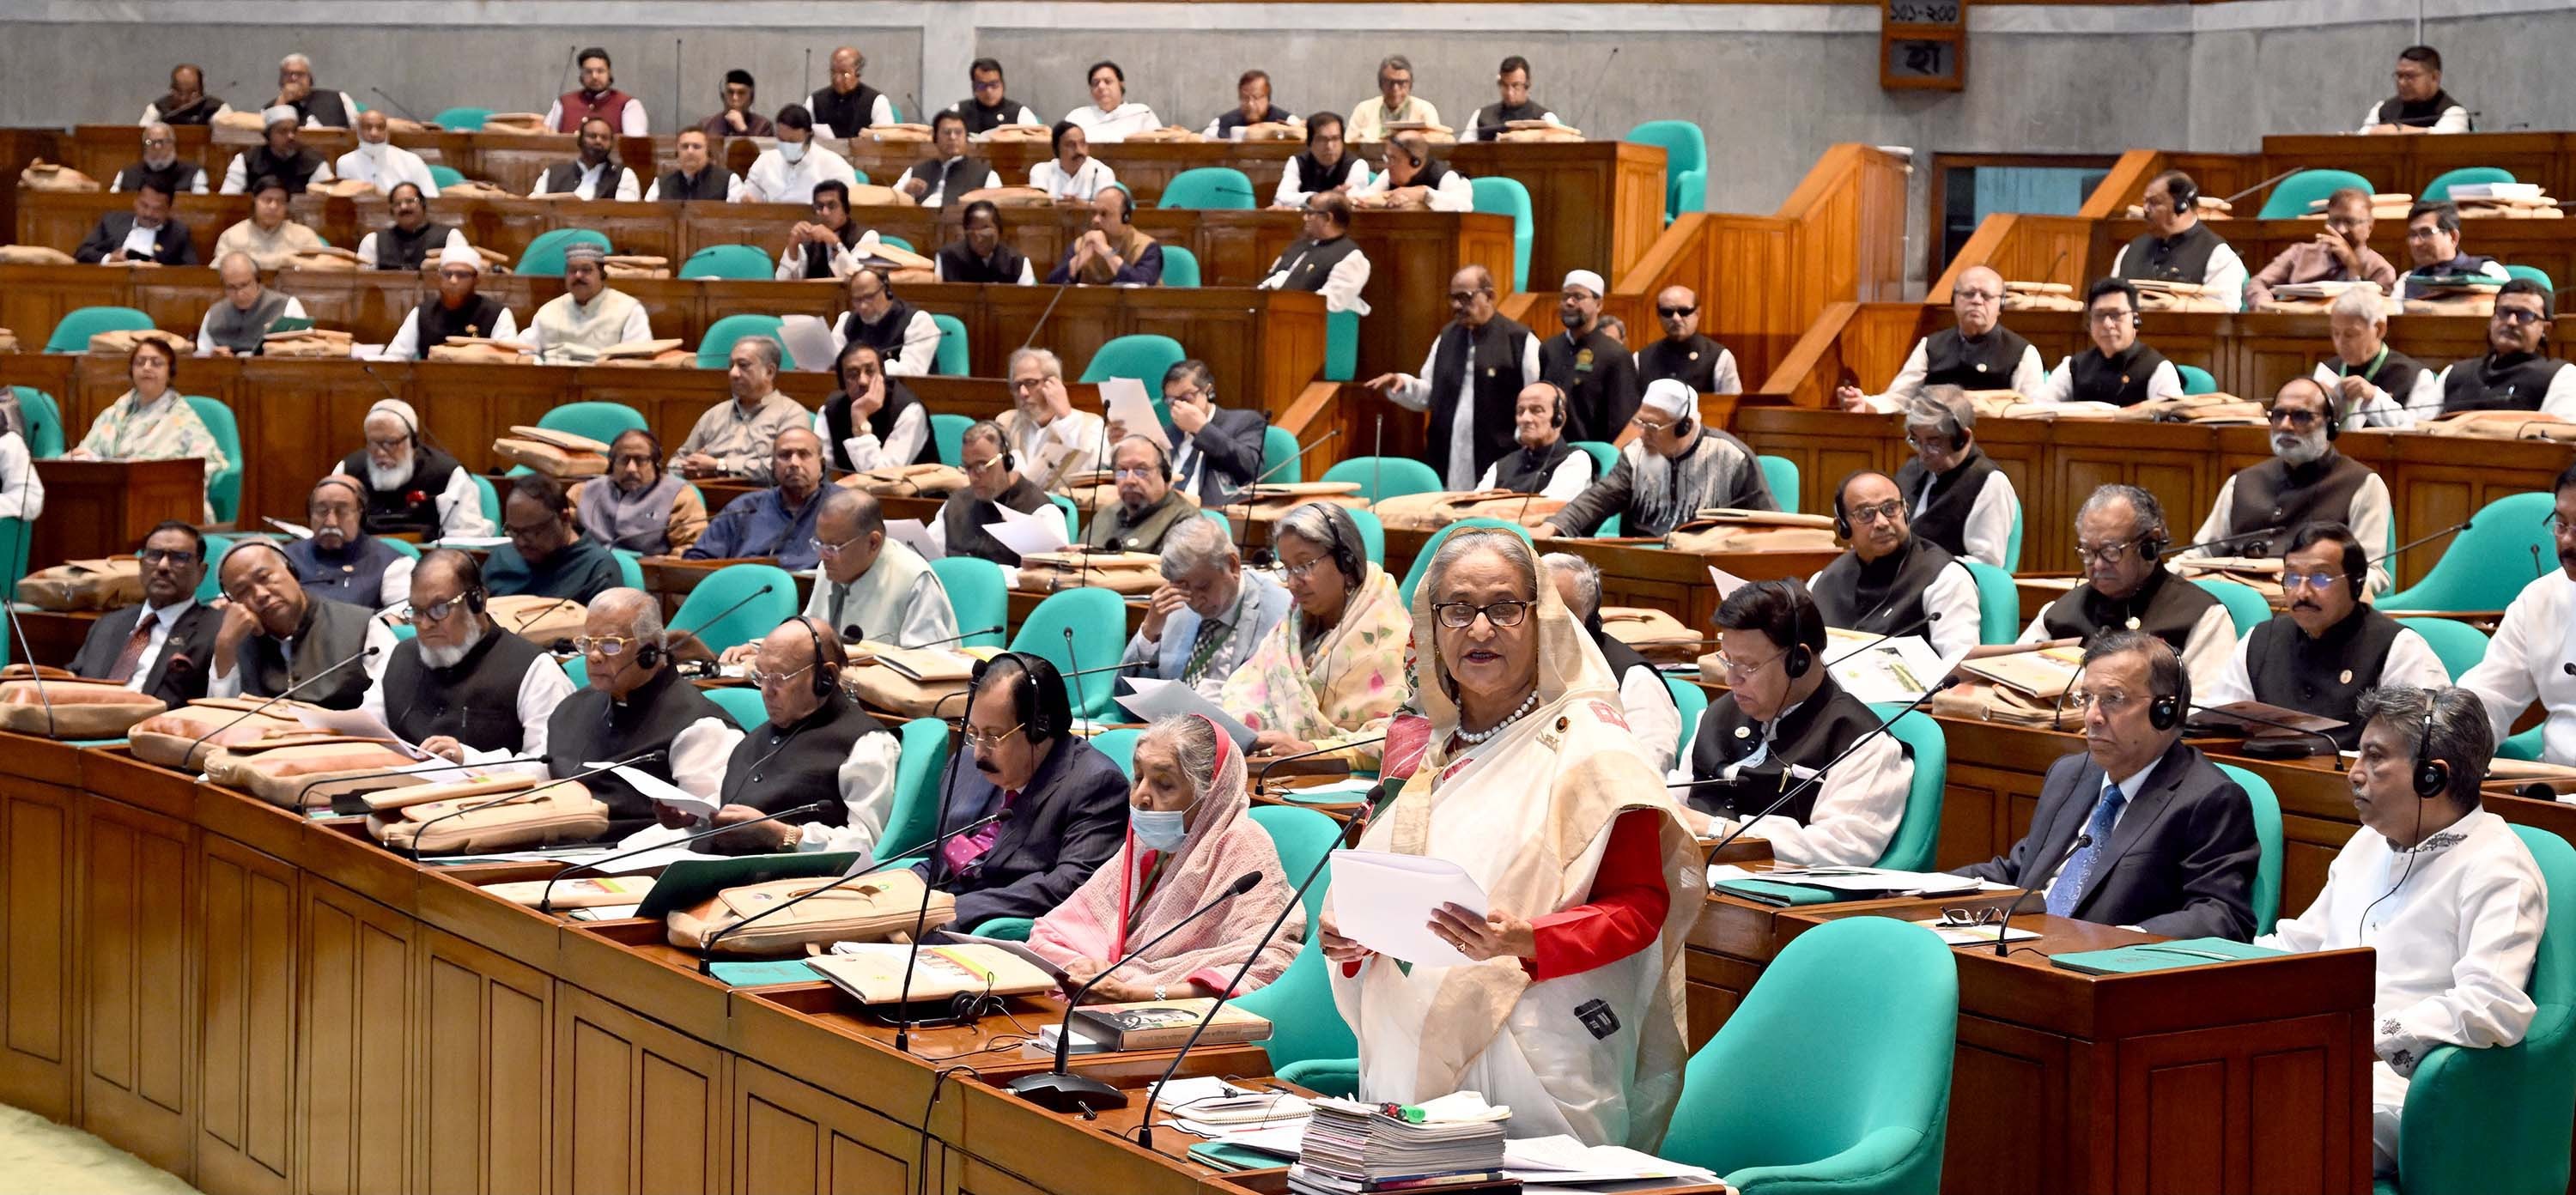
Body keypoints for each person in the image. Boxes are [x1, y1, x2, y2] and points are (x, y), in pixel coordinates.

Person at [1320, 529, 1698, 1150]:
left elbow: (1640, 907)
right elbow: (1388, 889)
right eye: (1459, 609)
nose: (1480, 629)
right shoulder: (1419, 748)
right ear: (1433, 625)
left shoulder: (1593, 746)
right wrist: (1350, 934)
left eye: (1503, 608)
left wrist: (1529, 938)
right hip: (1407, 1033)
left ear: (1540, 618)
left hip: (1537, 1037)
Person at [2258, 686, 2540, 1175]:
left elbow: (2490, 1005)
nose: (2354, 773)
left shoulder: (2497, 867)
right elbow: (2298, 945)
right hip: (2318, 1059)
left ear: (2433, 776)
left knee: (2256, 1129)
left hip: (2404, 1087)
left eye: (2375, 757)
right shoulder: (2370, 842)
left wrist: (2370, 1037)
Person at [1952, 630, 2263, 940]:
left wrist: (2121, 941)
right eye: (2087, 698)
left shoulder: (2209, 797)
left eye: (2113, 699)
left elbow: (2222, 916)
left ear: (2164, 712)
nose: (2092, 716)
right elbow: (2021, 871)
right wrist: (1917, 888)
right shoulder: (2070, 774)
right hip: (2027, 951)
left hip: (2109, 974)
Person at [1030, 713, 1301, 1002]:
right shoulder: (1145, 848)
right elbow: (1054, 932)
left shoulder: (1241, 846)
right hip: (1106, 1001)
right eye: (1138, 777)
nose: (1141, 796)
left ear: (1211, 793)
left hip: (1186, 1024)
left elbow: (1268, 965)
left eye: (1164, 784)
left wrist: (1137, 994)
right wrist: (1081, 967)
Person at [1676, 579, 1910, 862]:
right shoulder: (1717, 715)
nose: (1731, 679)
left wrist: (1719, 830)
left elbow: (1844, 847)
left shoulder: (1860, 741)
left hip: (1774, 891)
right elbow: (1676, 802)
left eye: (1748, 666)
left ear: (1798, 661)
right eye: (1728, 661)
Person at [921, 651, 1128, 931]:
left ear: (1039, 728)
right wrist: (897, 894)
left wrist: (946, 910)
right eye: (973, 732)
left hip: (992, 933)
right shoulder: (968, 768)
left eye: (994, 736)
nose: (979, 752)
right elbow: (939, 860)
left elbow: (1070, 885)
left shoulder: (1097, 785)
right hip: (937, 915)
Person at [2202, 524, 2449, 746]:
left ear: (2356, 583)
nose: (2302, 593)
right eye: (2292, 577)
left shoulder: (2398, 647)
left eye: (2320, 578)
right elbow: (2216, 722)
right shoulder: (2260, 640)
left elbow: (2429, 741)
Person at [683, 618, 901, 858]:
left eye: (778, 678)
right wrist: (694, 818)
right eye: (760, 677)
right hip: (705, 866)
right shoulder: (756, 737)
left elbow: (866, 845)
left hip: (779, 887)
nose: (766, 691)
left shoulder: (865, 743)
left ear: (825, 677)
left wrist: (780, 835)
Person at [1219, 502, 1410, 769]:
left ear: (1347, 559)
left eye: (1305, 565)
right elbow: (1246, 689)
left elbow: (1402, 738)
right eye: (1287, 568)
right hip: (1272, 770)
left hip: (1352, 788)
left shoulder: (1391, 635)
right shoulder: (1294, 623)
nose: (1293, 582)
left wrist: (1311, 750)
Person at [546, 590, 740, 840]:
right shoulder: (572, 706)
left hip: (623, 858)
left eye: (610, 645)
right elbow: (541, 773)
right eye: (588, 644)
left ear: (649, 653)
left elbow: (700, 827)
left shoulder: (700, 726)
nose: (594, 657)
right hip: (549, 839)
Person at [360, 550, 574, 764]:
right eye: (416, 611)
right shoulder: (400, 657)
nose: (425, 624)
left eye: (439, 608)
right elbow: (368, 732)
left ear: (477, 601)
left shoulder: (534, 669)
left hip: (493, 796)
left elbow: (549, 765)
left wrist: (470, 760)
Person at [2185, 378, 2396, 593]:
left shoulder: (2362, 484)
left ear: (2331, 426)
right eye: (2278, 415)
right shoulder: (2241, 482)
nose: (2285, 425)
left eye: (2301, 416)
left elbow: (2370, 572)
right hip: (2238, 602)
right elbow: (2200, 555)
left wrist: (2317, 588)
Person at [2020, 484, 2234, 688]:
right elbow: (2008, 675)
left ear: (2150, 544)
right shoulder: (2057, 613)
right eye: (2087, 551)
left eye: (2111, 551)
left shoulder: (2203, 617)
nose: (2098, 564)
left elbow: (2204, 711)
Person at [1367, 265, 1541, 489]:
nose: (1457, 305)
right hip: (1446, 455)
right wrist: (1402, 384)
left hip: (1500, 460)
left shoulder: (1519, 340)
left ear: (1490, 296)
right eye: (1453, 298)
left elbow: (1538, 399)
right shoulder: (1446, 337)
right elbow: (1431, 394)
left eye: (1465, 298)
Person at [1540, 379, 1776, 538]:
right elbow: (1599, 499)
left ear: (1685, 427)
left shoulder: (1731, 458)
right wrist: (1553, 526)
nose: (1642, 434)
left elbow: (1769, 526)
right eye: (1640, 423)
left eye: (1652, 426)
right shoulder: (1636, 454)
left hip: (1702, 569)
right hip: (1642, 562)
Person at [2459, 462, 2576, 765]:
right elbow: (2489, 697)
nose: (2566, 541)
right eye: (2561, 524)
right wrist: (2441, 737)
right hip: (2557, 790)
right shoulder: (2540, 599)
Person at [1807, 471, 1981, 661]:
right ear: (1843, 527)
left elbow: (1961, 664)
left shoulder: (1945, 578)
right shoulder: (1821, 582)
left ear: (1906, 512)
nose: (1881, 522)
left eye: (1890, 509)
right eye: (1866, 514)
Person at [206, 540, 395, 711]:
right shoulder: (236, 639)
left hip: (346, 743)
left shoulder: (361, 625)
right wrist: (225, 647)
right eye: (243, 590)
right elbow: (220, 720)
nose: (260, 594)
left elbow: (387, 703)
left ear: (291, 570)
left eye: (265, 577)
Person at [1121, 516, 1291, 700]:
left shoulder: (1280, 610)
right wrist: (1149, 634)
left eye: (1203, 587)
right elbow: (1125, 697)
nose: (1194, 601)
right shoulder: (1173, 605)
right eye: (1183, 587)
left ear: (1232, 565)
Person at [1545, 552, 1681, 775]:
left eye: (1553, 612)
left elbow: (1647, 773)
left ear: (1586, 618)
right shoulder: (1522, 667)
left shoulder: (1635, 680)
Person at [1838, 266, 2044, 411]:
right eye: (1969, 294)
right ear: (1954, 301)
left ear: (2001, 305)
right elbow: (1898, 400)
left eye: (1986, 296)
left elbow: (2032, 413)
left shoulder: (2023, 352)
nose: (1977, 301)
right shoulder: (1931, 346)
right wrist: (1862, 403)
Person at [70, 340, 228, 519]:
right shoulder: (113, 413)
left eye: (156, 363)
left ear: (170, 372)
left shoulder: (182, 419)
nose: (147, 367)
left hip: (159, 500)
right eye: (140, 362)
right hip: (108, 498)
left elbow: (208, 461)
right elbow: (85, 453)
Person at [69, 522, 217, 707]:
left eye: (179, 557)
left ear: (201, 572)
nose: (163, 566)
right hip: (85, 723)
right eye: (154, 555)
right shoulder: (108, 624)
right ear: (141, 565)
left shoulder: (216, 630)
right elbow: (73, 680)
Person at [794, 488, 957, 648]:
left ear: (873, 542)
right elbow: (811, 636)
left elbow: (929, 664)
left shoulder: (914, 579)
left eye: (834, 547)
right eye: (820, 544)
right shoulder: (827, 568)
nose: (823, 556)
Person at [327, 397, 491, 540]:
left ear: (412, 441)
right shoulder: (348, 470)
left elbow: (465, 539)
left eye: (390, 443)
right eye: (372, 443)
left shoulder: (447, 474)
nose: (380, 452)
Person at [1893, 387, 2018, 567]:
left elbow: (1986, 565)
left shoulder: (1988, 482)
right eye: (1916, 441)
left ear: (1963, 438)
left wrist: (1919, 569)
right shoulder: (1912, 470)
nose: (1923, 455)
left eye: (1934, 442)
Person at [683, 428, 829, 570]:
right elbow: (696, 560)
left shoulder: (842, 506)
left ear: (821, 465)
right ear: (772, 466)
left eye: (804, 455)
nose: (794, 463)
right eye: (785, 455)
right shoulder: (744, 508)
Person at [670, 338, 809, 483]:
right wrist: (690, 466)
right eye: (731, 366)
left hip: (762, 500)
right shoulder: (714, 414)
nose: (734, 373)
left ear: (769, 371)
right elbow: (674, 464)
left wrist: (719, 466)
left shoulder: (791, 414)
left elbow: (788, 467)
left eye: (743, 365)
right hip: (706, 495)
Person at [2431, 277, 2576, 416]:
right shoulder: (2454, 373)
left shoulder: (2562, 377)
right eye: (2504, 312)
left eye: (2524, 315)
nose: (2511, 322)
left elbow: (2558, 435)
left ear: (2546, 329)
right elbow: (2419, 430)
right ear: (2492, 319)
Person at [2030, 278, 2184, 406]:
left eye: (2116, 315)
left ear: (2135, 320)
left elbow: (2170, 423)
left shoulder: (2158, 368)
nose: (2107, 324)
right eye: (2099, 315)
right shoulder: (2073, 366)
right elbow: (2038, 408)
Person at [2111, 171, 2247, 312]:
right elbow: (2110, 300)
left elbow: (2226, 313)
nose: (2145, 209)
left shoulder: (2220, 255)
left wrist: (2177, 306)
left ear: (2181, 206)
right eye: (2145, 201)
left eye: (2154, 203)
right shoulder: (2130, 249)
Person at [940, 421, 1066, 567]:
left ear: (1007, 461)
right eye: (968, 467)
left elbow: (1052, 574)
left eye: (982, 466)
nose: (973, 477)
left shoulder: (1042, 512)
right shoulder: (956, 504)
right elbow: (929, 556)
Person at [484, 473, 624, 603]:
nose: (521, 542)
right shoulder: (501, 557)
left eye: (532, 532)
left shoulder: (598, 569)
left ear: (564, 518)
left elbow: (605, 628)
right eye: (514, 531)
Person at [2245, 187, 2395, 307]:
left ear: (2369, 226)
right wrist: (2265, 305)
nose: (2341, 230)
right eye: (2335, 221)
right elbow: (2258, 283)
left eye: (2350, 222)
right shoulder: (2300, 253)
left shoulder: (2381, 270)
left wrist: (2353, 268)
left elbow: (2372, 315)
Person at [282, 476, 413, 610]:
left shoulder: (394, 564)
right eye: (322, 511)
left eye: (342, 511)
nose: (331, 522)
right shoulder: (284, 560)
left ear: (361, 515)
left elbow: (400, 619)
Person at [1541, 270, 1641, 442]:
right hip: (1552, 458)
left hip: (1594, 459)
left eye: (1578, 297)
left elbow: (1623, 422)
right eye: (1565, 297)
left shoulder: (1615, 354)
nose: (1570, 302)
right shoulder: (1549, 348)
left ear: (1599, 304)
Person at [2323, 285, 2440, 429]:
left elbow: (2418, 431)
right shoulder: (2327, 371)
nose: (2340, 343)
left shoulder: (2413, 375)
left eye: (2350, 334)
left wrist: (2374, 397)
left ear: (2379, 329)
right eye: (2335, 333)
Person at [1151, 361, 1265, 507]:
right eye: (1171, 401)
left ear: (1208, 391)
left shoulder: (1244, 421)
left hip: (1213, 517)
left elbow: (1251, 468)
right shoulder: (1166, 434)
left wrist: (1202, 429)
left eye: (1186, 398)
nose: (1179, 406)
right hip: (1165, 513)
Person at [577, 429, 707, 556]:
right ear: (612, 464)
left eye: (640, 461)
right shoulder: (584, 491)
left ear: (656, 464)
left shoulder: (680, 496)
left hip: (649, 572)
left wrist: (657, 565)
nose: (631, 469)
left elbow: (691, 550)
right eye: (623, 460)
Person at [519, 243, 652, 362]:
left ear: (601, 274)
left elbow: (637, 359)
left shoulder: (628, 309)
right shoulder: (549, 310)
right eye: (572, 270)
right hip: (551, 379)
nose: (578, 275)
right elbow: (523, 350)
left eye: (586, 270)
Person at [995, 348, 1107, 488]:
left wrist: (1066, 419)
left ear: (1054, 384)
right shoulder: (1006, 422)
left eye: (1030, 383)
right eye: (1017, 385)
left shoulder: (1090, 424)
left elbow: (1096, 471)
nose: (1023, 392)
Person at [818, 340, 933, 472]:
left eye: (870, 371)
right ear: (842, 383)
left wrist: (860, 419)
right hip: (853, 491)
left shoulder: (909, 411)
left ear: (882, 374)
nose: (863, 381)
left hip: (913, 492)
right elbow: (819, 468)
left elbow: (882, 476)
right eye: (853, 375)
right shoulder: (831, 410)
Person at [380, 253, 517, 360]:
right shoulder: (422, 312)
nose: (453, 280)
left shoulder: (497, 314)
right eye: (447, 274)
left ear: (477, 279)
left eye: (462, 275)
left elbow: (508, 359)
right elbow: (396, 357)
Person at [1257, 191, 1372, 314]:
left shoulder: (1351, 258)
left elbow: (1329, 305)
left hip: (1303, 324)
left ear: (1328, 218)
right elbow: (1270, 277)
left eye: (1310, 213)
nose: (1305, 217)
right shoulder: (1300, 245)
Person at [1474, 383, 1593, 500]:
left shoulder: (1575, 461)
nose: (1525, 418)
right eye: (1520, 411)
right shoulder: (1501, 465)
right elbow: (1472, 505)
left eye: (1536, 411)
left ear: (1559, 418)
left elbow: (1547, 509)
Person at [1083, 437, 1194, 554]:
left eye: (1141, 471)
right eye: (1122, 471)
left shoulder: (1185, 522)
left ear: (1166, 476)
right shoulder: (1105, 514)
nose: (1129, 480)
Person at [740, 105, 857, 205]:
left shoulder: (834, 164)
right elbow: (749, 198)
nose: (786, 146)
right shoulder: (765, 161)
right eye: (781, 140)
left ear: (809, 136)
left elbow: (848, 205)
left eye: (792, 142)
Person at [833, 267, 942, 374]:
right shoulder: (847, 321)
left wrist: (862, 368)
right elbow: (833, 362)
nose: (863, 306)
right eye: (857, 300)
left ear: (886, 291)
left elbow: (911, 372)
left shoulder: (918, 322)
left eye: (869, 297)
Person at [1046, 186, 1162, 286]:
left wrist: (1107, 252)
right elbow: (1051, 288)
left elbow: (1142, 286)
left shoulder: (1147, 247)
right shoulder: (1080, 245)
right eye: (1094, 213)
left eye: (1104, 214)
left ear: (1125, 217)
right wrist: (1079, 259)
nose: (1096, 220)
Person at [1636, 287, 1739, 396]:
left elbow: (1731, 405)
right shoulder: (1641, 358)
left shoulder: (1720, 357)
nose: (1676, 318)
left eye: (1684, 311)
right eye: (1667, 312)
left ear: (1698, 313)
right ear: (1658, 315)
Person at [2399, 201, 2511, 300]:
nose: (2416, 243)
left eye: (2426, 233)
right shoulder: (2407, 279)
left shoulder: (2488, 270)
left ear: (2453, 237)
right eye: (2412, 234)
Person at [75, 179, 197, 266]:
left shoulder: (178, 233)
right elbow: (82, 253)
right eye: (144, 205)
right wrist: (109, 259)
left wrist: (160, 270)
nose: (148, 213)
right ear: (135, 202)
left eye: (157, 209)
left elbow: (192, 271)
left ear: (168, 210)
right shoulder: (112, 221)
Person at [213, 176, 325, 270]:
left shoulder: (303, 235)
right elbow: (216, 272)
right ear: (254, 202)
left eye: (280, 201)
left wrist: (292, 261)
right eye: (267, 200)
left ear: (287, 206)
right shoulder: (232, 236)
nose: (273, 206)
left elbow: (330, 265)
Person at [354, 183, 471, 272]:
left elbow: (463, 271)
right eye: (397, 204)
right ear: (391, 211)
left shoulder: (451, 236)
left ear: (423, 204)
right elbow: (364, 279)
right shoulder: (373, 240)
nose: (404, 207)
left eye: (410, 201)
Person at [894, 111, 999, 208]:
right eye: (947, 132)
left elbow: (995, 209)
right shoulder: (916, 171)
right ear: (935, 137)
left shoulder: (986, 174)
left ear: (966, 138)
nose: (953, 137)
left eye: (958, 132)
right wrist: (906, 191)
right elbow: (892, 200)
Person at [218, 106, 333, 194]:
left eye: (294, 131)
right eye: (283, 131)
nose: (291, 136)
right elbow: (229, 197)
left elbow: (326, 199)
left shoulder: (314, 161)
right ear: (268, 135)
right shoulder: (245, 160)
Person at [2360, 45, 2472, 134]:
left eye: (2410, 76)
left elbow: (2445, 140)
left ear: (2435, 77)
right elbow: (2361, 139)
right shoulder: (2382, 109)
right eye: (2399, 76)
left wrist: (2398, 130)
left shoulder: (2454, 112)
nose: (2402, 82)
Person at [1353, 131, 1473, 212]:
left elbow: (1465, 206)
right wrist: (1389, 201)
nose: (1387, 165)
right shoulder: (1388, 174)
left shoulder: (1446, 177)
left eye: (1393, 159)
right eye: (1386, 158)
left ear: (1415, 162)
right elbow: (1362, 198)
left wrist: (1425, 194)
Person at [775, 179, 867, 282]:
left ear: (846, 209)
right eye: (819, 206)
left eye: (832, 206)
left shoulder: (866, 238)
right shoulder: (806, 241)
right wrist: (792, 248)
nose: (825, 212)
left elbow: (859, 280)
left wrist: (835, 243)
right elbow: (782, 285)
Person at [1273, 112, 1371, 209]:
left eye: (1335, 139)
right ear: (1309, 142)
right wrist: (1314, 198)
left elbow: (1353, 199)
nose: (1329, 146)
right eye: (1322, 140)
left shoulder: (1357, 165)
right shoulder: (1297, 162)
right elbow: (1281, 198)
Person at [529, 116, 640, 200]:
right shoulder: (553, 173)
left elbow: (625, 216)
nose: (598, 141)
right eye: (592, 136)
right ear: (580, 140)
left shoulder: (624, 175)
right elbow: (535, 207)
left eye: (604, 138)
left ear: (612, 144)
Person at [335, 110, 438, 197]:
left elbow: (431, 196)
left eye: (380, 127)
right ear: (358, 131)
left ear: (387, 131)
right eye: (368, 127)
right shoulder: (345, 163)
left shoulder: (411, 160)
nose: (374, 133)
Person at [546, 47, 646, 134]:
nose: (595, 76)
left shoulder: (628, 105)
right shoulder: (564, 103)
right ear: (581, 75)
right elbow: (546, 136)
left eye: (600, 71)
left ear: (609, 73)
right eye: (589, 72)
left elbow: (635, 143)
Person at [935, 199, 1036, 284]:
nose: (978, 236)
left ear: (998, 230)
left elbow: (1030, 300)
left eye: (985, 228)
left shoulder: (1016, 262)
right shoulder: (947, 257)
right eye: (972, 229)